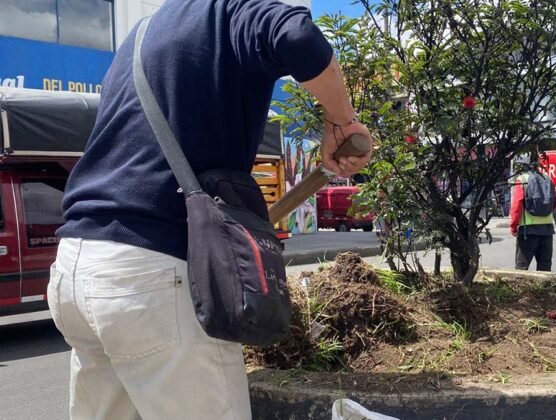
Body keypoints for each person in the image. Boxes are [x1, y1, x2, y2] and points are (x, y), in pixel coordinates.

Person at [48, 1, 372, 419]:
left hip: (76, 264)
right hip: (152, 276)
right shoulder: (234, 11)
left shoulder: (141, 35)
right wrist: (342, 123)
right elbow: (297, 35)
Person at [510, 158, 556, 271]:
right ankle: (545, 288)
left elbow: (516, 205)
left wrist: (513, 226)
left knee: (521, 267)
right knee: (545, 267)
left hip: (528, 232)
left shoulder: (522, 179)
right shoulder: (548, 179)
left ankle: (521, 289)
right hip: (547, 231)